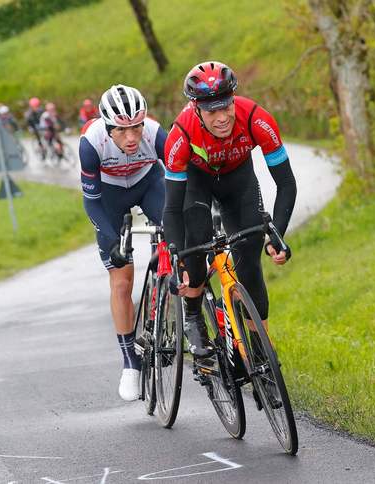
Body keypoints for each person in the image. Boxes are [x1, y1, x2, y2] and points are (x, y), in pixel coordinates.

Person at [163, 61, 297, 366]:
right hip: (197, 185)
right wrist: (177, 259)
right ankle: (194, 314)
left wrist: (278, 234)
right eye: (212, 111)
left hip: (240, 182)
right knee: (195, 245)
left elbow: (286, 184)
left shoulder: (255, 118)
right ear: (196, 108)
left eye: (226, 107)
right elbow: (172, 207)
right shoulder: (181, 133)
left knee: (249, 256)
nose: (222, 117)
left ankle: (259, 343)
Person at [79, 84, 168, 401]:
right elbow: (92, 203)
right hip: (110, 196)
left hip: (148, 183)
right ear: (107, 127)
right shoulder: (91, 143)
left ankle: (180, 308)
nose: (132, 138)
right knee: (121, 279)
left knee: (178, 231)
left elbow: (183, 179)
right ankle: (131, 362)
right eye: (122, 130)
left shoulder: (156, 134)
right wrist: (115, 240)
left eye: (136, 127)